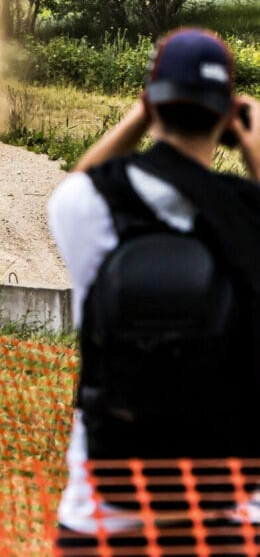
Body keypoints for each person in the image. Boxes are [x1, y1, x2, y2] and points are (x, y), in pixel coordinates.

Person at [47, 28, 260, 553]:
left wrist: (136, 119)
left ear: (150, 103)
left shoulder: (92, 206)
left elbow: (77, 184)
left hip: (103, 513)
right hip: (228, 516)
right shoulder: (250, 217)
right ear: (228, 114)